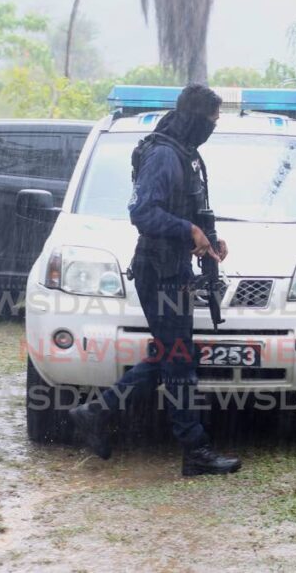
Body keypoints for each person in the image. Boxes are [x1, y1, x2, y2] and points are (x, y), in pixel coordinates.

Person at [69, 84, 242, 477]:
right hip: (159, 271)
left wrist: (208, 238)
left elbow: (186, 208)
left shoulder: (183, 152)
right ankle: (195, 450)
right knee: (179, 361)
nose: (213, 127)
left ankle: (96, 411)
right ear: (194, 118)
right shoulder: (164, 154)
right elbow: (144, 213)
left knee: (171, 354)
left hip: (171, 268)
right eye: (211, 120)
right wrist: (189, 232)